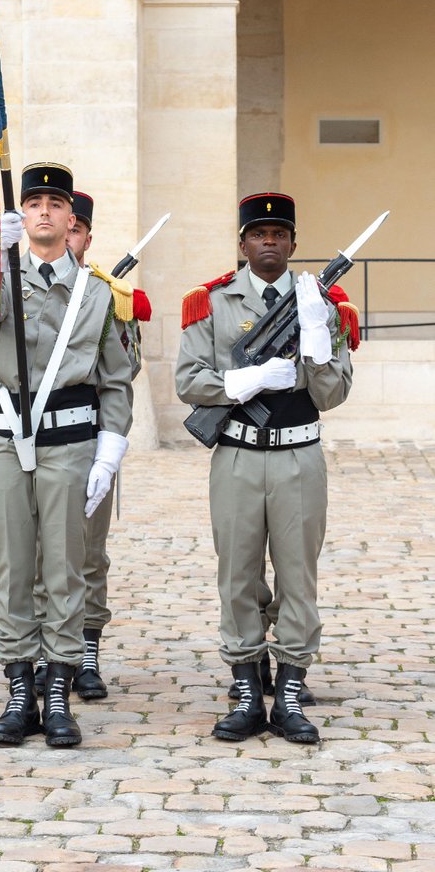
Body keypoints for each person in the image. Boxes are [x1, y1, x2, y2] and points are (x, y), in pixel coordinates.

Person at [175, 192, 356, 744]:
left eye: (279, 235)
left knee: (298, 575)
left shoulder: (323, 303)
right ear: (243, 243)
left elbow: (333, 394)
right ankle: (249, 687)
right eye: (259, 234)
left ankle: (292, 692)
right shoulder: (212, 301)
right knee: (239, 574)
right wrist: (244, 382)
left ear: (294, 243)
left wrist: (319, 340)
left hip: (299, 455)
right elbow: (188, 381)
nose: (269, 242)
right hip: (236, 453)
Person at [0, 162, 133, 747]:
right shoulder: (1, 279)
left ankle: (57, 691)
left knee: (64, 567)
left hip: (69, 442)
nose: (42, 211)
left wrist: (111, 448)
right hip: (7, 438)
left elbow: (115, 378)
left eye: (54, 204)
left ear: (70, 219)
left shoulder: (98, 294)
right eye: (32, 202)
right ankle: (19, 691)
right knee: (13, 566)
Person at [34, 190, 152, 701]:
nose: (69, 233)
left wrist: (109, 450)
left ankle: (86, 651)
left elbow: (122, 374)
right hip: (36, 438)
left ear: (84, 236)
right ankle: (43, 651)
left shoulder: (110, 294)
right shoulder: (30, 288)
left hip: (90, 440)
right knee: (38, 552)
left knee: (86, 553)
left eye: (78, 228)